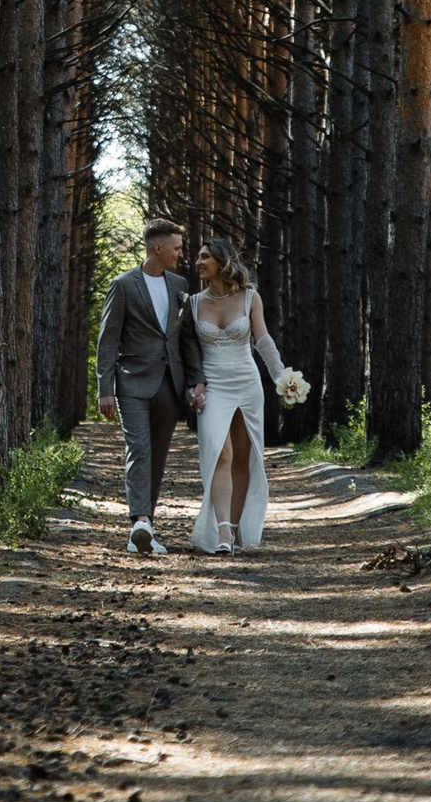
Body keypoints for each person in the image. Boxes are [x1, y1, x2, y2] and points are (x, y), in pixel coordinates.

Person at [95, 217, 204, 554]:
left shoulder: (179, 284)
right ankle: (139, 521)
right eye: (176, 248)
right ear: (158, 247)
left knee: (157, 457)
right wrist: (104, 388)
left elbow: (186, 338)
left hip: (170, 386)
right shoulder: (124, 284)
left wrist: (196, 379)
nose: (181, 254)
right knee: (138, 449)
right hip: (131, 384)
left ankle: (147, 527)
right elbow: (108, 339)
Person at [188, 238, 290, 553]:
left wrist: (282, 377)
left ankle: (233, 529)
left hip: (247, 383)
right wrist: (194, 384)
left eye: (205, 256)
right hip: (213, 386)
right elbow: (187, 352)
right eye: (197, 256)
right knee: (221, 453)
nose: (198, 261)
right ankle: (220, 533)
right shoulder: (192, 303)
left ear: (222, 261)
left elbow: (263, 340)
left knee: (243, 459)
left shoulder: (249, 298)